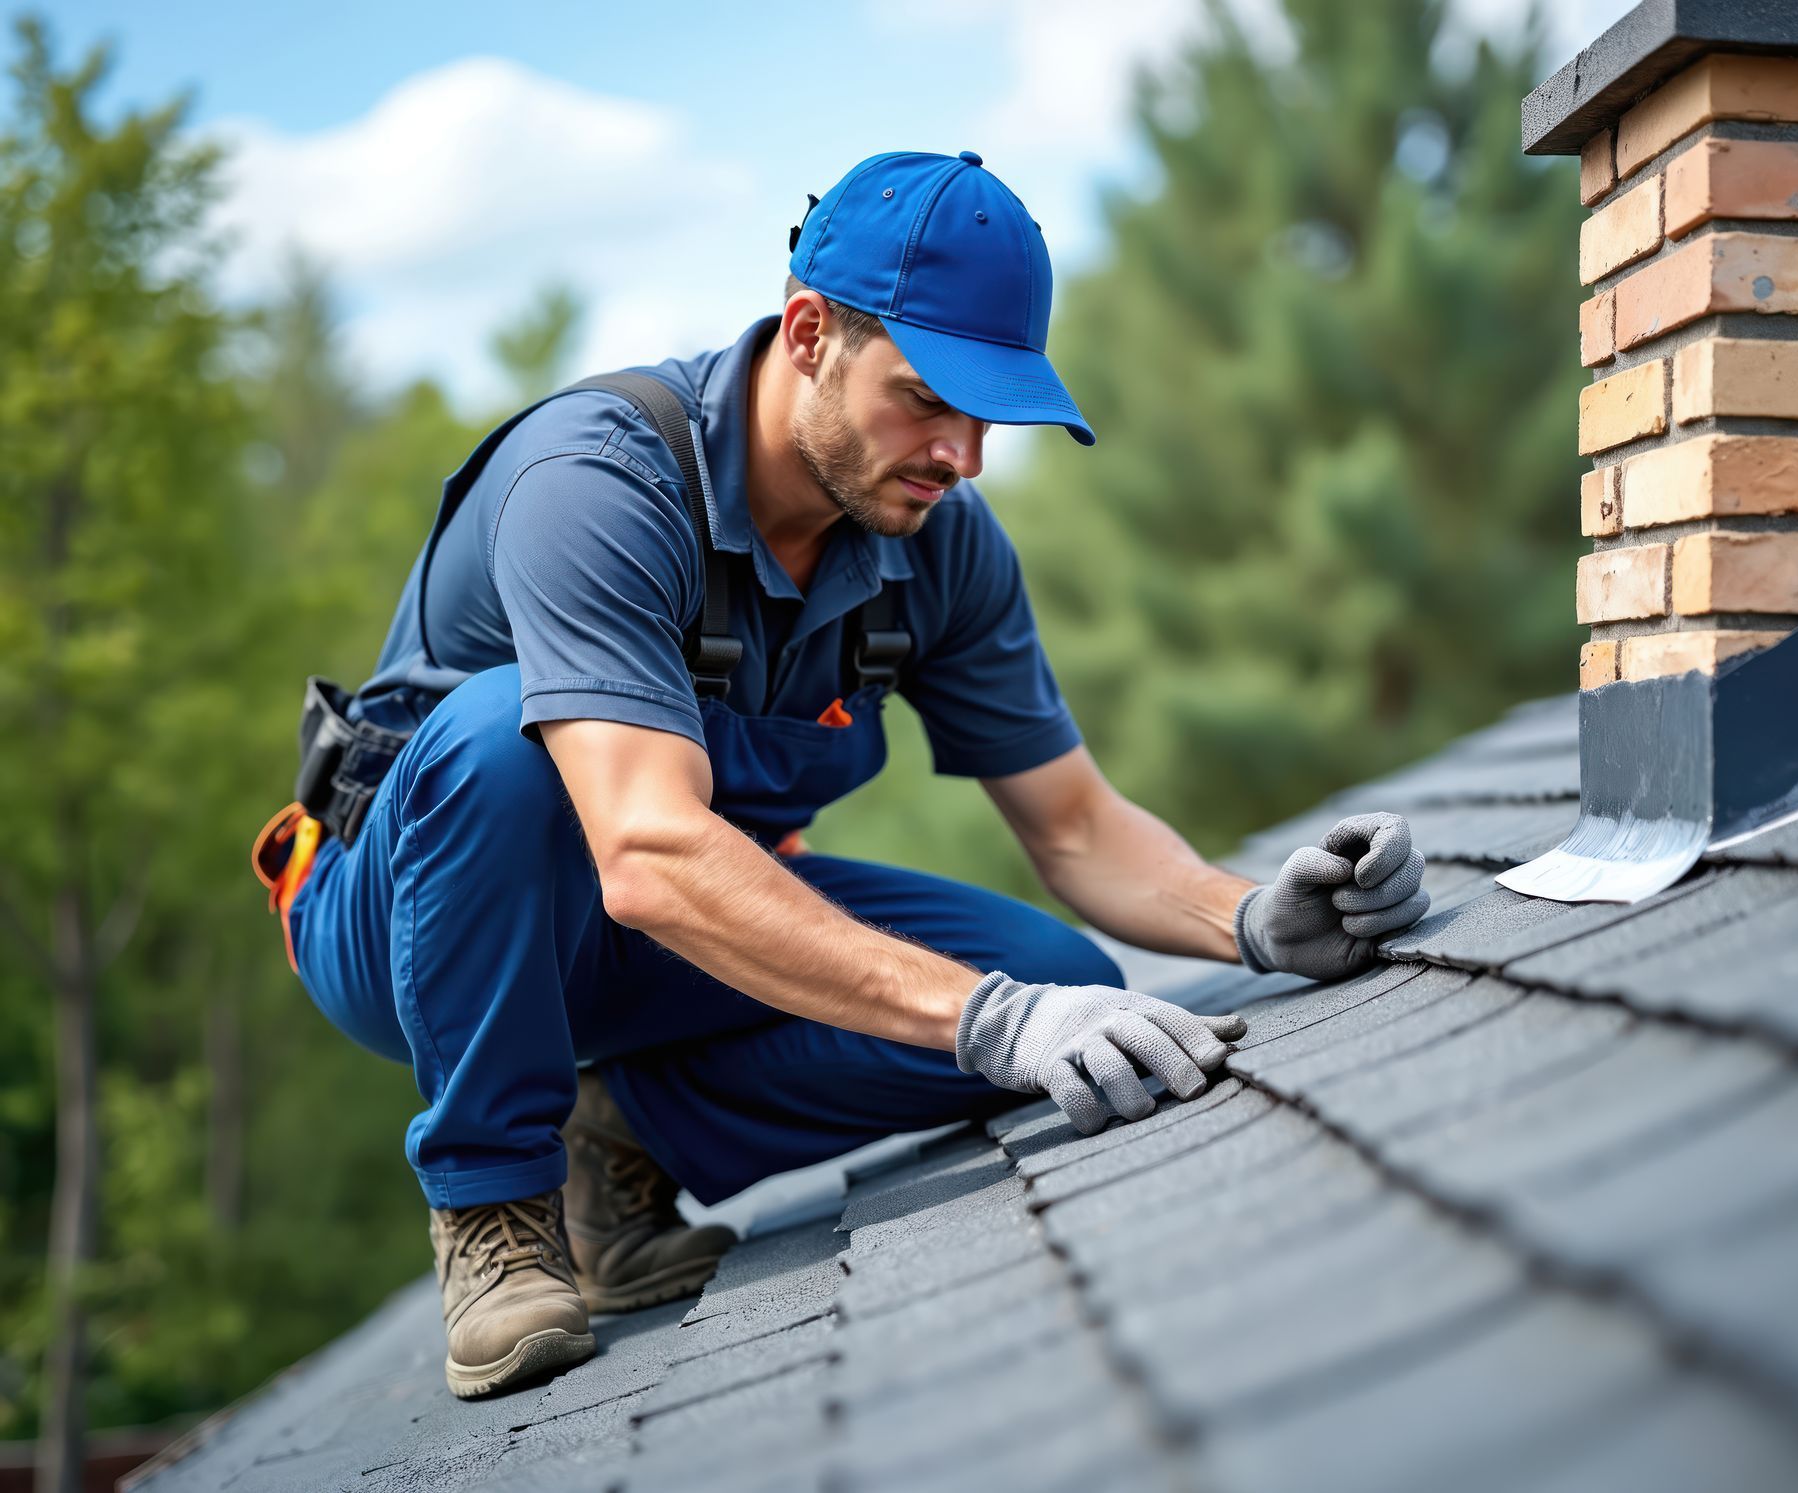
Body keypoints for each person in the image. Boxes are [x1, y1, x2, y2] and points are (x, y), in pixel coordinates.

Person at [252, 150, 1430, 1400]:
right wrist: (987, 1020)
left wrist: (1246, 916)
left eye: (990, 416)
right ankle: (497, 1207)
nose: (962, 455)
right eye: (928, 400)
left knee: (1073, 989)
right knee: (506, 737)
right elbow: (647, 851)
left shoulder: (938, 544)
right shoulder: (597, 481)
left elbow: (1078, 826)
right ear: (809, 333)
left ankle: (625, 1140)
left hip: (663, 931)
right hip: (411, 921)